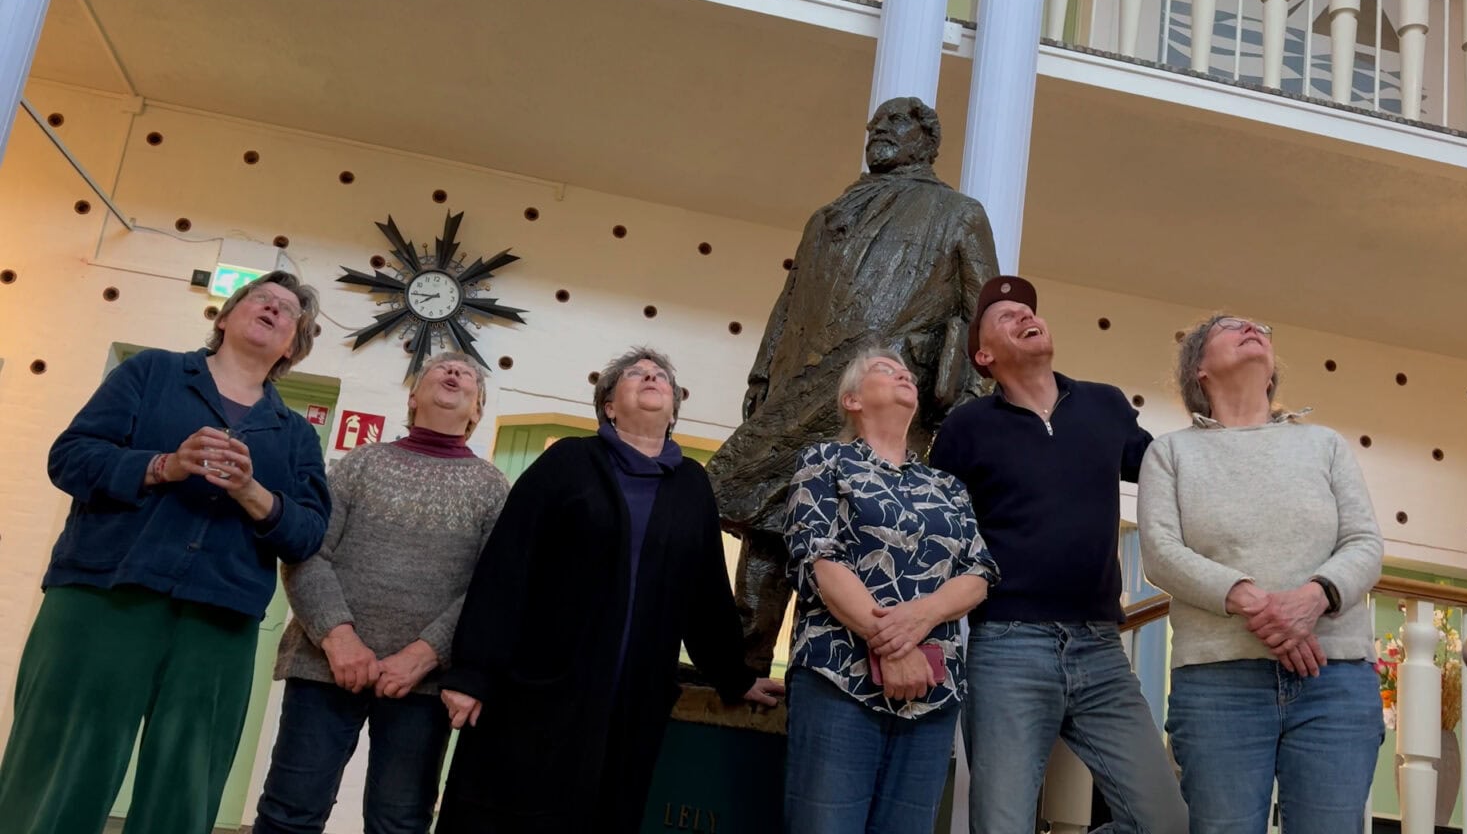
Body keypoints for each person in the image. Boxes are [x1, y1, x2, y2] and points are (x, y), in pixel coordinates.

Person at [0, 271, 331, 834]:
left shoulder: (296, 435)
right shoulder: (149, 373)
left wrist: (252, 493)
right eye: (261, 298)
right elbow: (70, 458)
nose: (274, 308)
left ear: (291, 347)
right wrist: (164, 465)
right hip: (104, 595)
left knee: (186, 783)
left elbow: (307, 534)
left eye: (288, 311)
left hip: (220, 619)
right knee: (61, 762)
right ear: (224, 316)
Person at [434, 347, 784, 834]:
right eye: (636, 373)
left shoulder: (691, 484)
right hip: (541, 687)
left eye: (661, 376)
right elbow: (508, 564)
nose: (652, 377)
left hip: (633, 699)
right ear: (609, 406)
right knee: (512, 814)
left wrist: (734, 675)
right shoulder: (568, 461)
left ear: (673, 411)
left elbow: (705, 590)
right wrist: (472, 670)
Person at [708, 96, 1000, 672]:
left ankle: (836, 666)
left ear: (926, 140)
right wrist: (763, 372)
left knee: (858, 533)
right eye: (875, 122)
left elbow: (980, 314)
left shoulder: (958, 214)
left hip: (883, 395)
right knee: (767, 526)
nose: (877, 129)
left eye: (894, 122)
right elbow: (791, 300)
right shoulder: (827, 215)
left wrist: (966, 406)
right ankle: (742, 671)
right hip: (798, 384)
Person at [929, 275, 1187, 834]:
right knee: (1001, 826)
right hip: (1007, 647)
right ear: (984, 355)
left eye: (1029, 310)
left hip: (1101, 649)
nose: (1025, 315)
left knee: (1166, 823)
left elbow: (1168, 474)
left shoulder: (1105, 404)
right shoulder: (966, 428)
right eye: (1006, 316)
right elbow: (935, 536)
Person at [1138, 314, 1384, 834]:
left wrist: (1313, 598)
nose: (1252, 328)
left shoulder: (1325, 444)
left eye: (1260, 328)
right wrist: (1261, 605)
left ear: (1272, 370)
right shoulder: (1170, 452)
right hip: (1218, 683)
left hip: (1334, 678)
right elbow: (1161, 553)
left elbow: (1364, 544)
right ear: (1199, 369)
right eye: (1230, 327)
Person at [254, 352, 509, 834]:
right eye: (440, 368)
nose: (454, 372)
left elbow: (492, 590)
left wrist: (424, 653)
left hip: (424, 684)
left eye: (468, 375)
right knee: (289, 812)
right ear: (412, 397)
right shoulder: (360, 463)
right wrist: (338, 639)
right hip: (326, 666)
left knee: (399, 823)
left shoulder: (494, 488)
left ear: (477, 409)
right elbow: (308, 551)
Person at [783, 348, 998, 834]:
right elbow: (819, 559)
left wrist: (922, 617)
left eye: (907, 373)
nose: (904, 374)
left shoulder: (948, 486)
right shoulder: (825, 461)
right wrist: (894, 647)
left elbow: (979, 572)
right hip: (839, 675)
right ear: (852, 400)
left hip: (932, 690)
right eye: (885, 370)